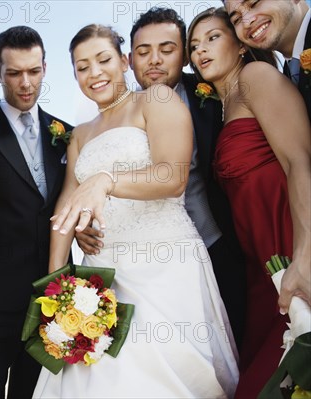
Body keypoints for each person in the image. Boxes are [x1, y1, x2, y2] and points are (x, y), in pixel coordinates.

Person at [34, 24, 239, 398]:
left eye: (103, 59)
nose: (94, 72)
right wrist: (55, 287)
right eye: (82, 67)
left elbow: (172, 176)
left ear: (124, 61)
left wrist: (105, 180)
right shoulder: (79, 134)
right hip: (104, 276)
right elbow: (66, 209)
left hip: (165, 265)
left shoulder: (155, 100)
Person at [75, 7, 247, 347]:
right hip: (134, 260)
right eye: (143, 51)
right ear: (129, 59)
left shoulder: (213, 95)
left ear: (184, 54)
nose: (154, 60)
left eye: (167, 49)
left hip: (222, 241)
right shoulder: (108, 118)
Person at [188, 7, 311, 397]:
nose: (201, 51)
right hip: (260, 274)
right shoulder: (216, 108)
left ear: (240, 46)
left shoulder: (257, 77)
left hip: (292, 253)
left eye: (213, 38)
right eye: (193, 45)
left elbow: (299, 163)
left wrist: (305, 257)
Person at [0, 26, 72, 399]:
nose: (25, 83)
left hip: (49, 302)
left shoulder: (66, 134)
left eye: (33, 71)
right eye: (14, 73)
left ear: (45, 68)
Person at [223, 0, 311, 313]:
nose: (247, 19)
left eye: (254, 2)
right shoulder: (290, 71)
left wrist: (304, 255)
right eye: (235, 16)